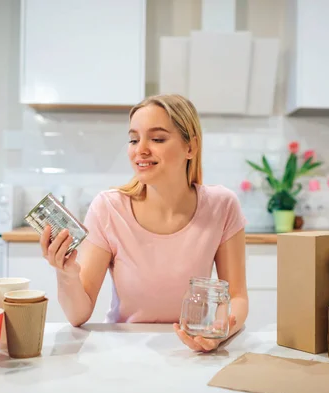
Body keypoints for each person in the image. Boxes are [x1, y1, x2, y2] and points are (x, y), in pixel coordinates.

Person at [40, 94, 248, 353]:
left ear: (190, 147)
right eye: (133, 139)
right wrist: (66, 273)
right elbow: (77, 315)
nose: (141, 149)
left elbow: (237, 297)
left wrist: (219, 331)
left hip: (192, 350)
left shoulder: (222, 206)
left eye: (157, 139)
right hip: (123, 351)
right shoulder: (108, 208)